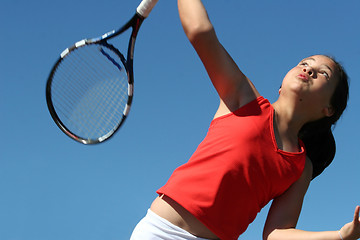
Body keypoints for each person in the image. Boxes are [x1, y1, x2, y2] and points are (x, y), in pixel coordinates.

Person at [131, 0, 359, 239]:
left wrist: (341, 235)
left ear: (329, 109)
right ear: (281, 86)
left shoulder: (301, 168)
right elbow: (200, 31)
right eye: (304, 63)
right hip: (160, 231)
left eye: (324, 73)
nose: (309, 70)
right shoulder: (244, 98)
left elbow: (277, 234)